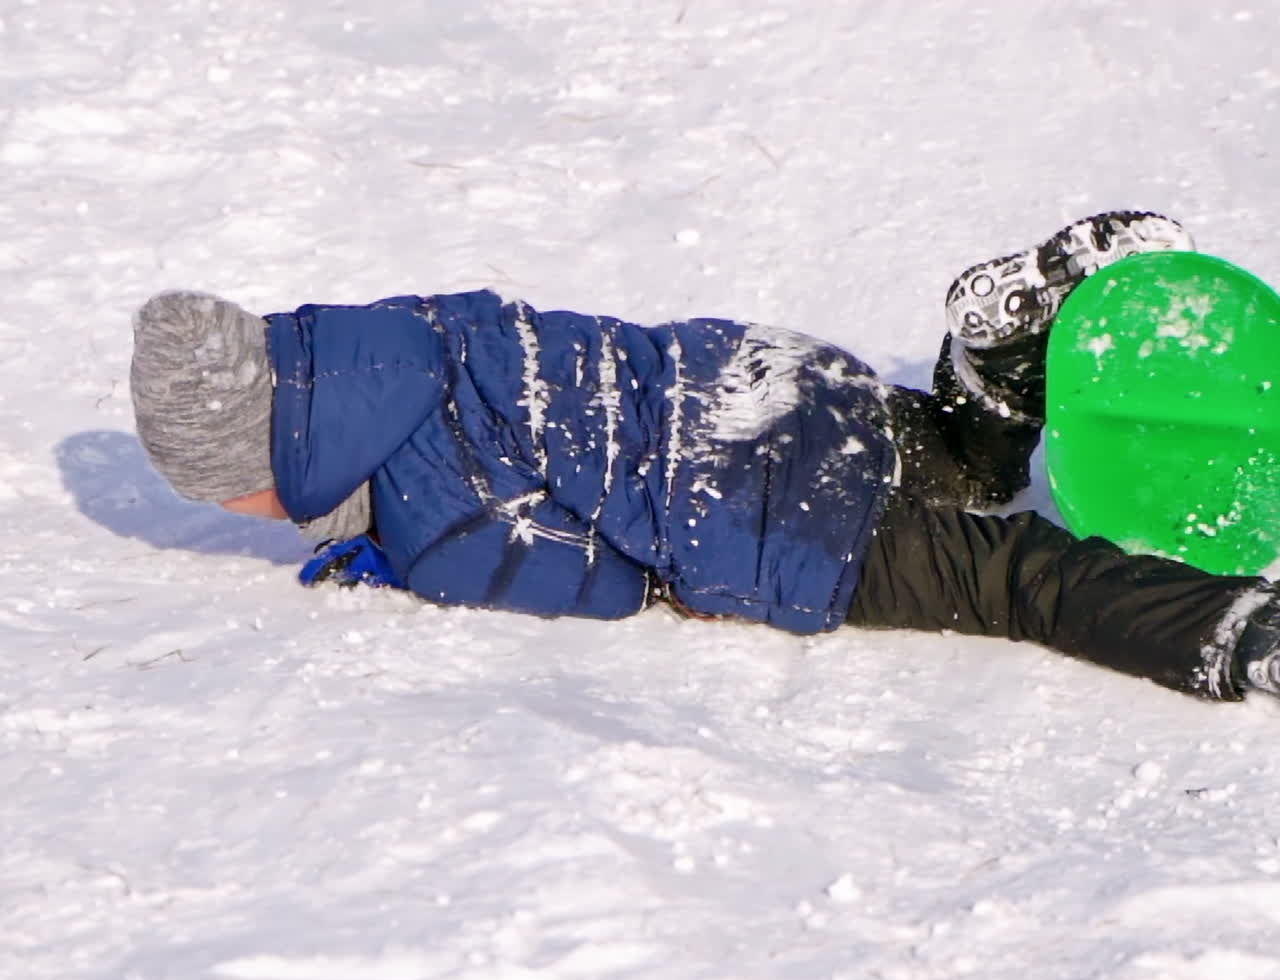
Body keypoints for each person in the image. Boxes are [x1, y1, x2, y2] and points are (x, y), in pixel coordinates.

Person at [128, 210, 1280, 702]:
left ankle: (1244, 636)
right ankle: (996, 355)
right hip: (762, 379)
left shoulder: (425, 516)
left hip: (753, 500)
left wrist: (381, 547)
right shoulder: (395, 335)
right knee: (957, 469)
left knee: (1010, 574)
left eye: (221, 487)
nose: (233, 507)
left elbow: (589, 577)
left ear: (256, 453)